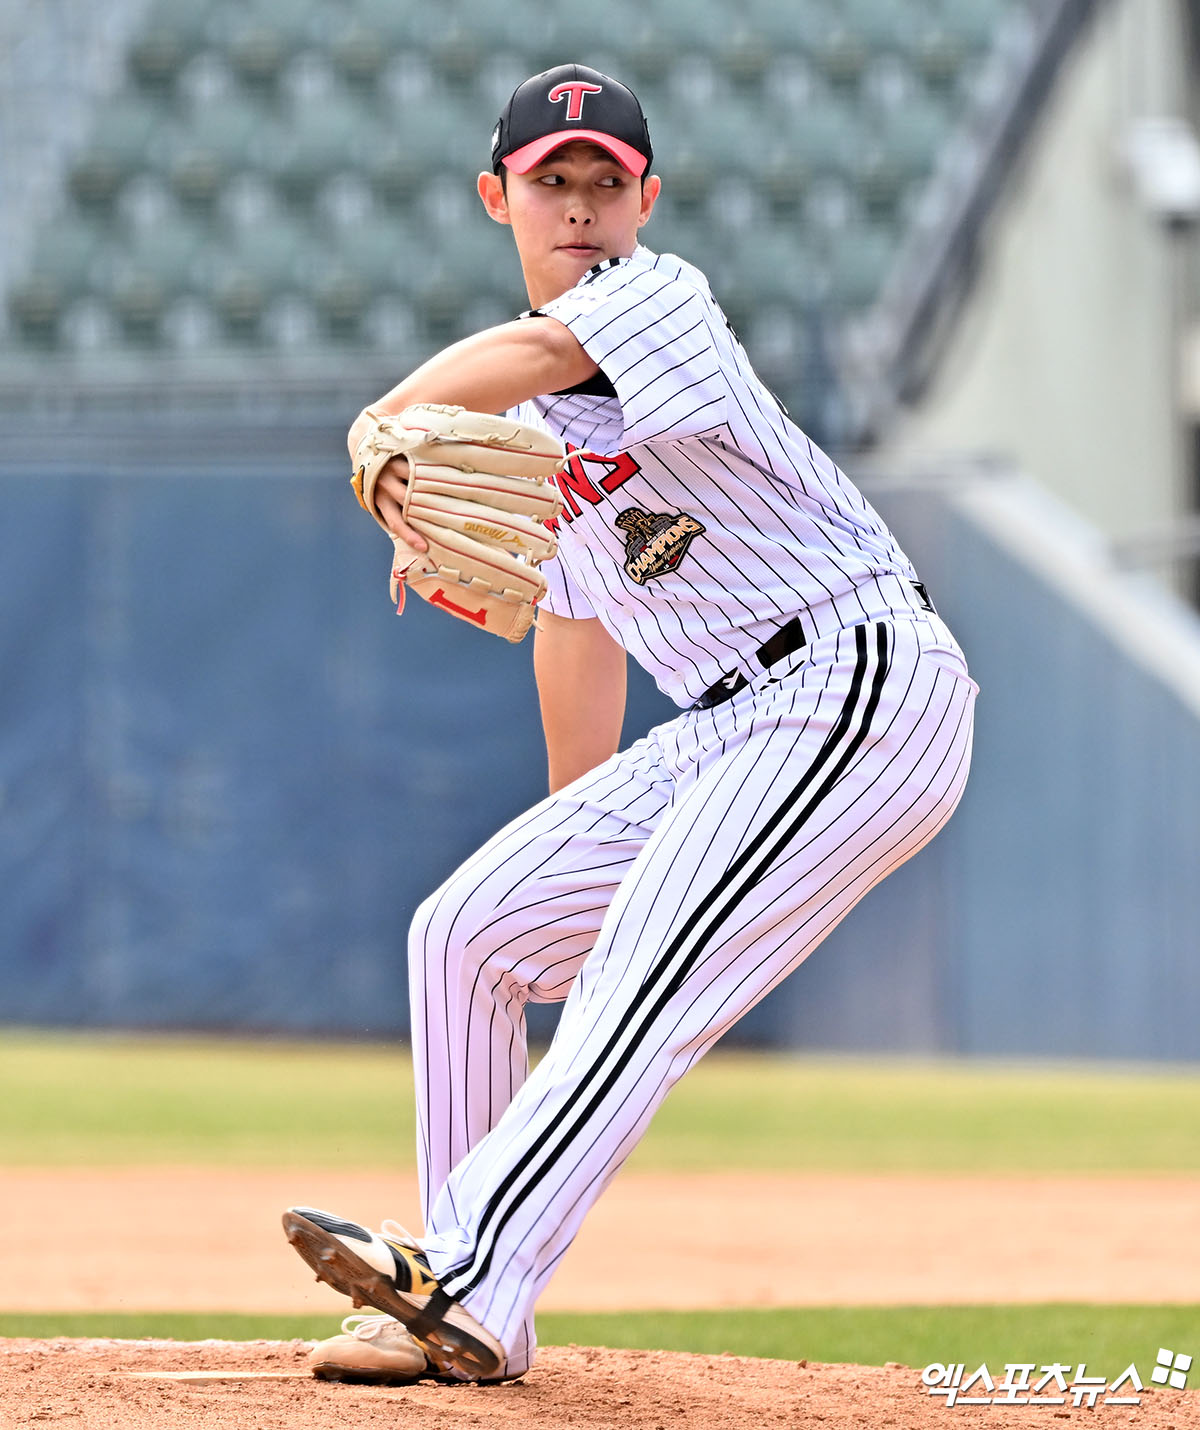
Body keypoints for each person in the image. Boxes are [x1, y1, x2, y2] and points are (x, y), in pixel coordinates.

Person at [283, 62, 978, 1385]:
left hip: (850, 682)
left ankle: (473, 1267)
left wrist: (390, 419)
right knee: (468, 931)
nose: (583, 204)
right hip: (728, 726)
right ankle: (459, 1305)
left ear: (646, 197)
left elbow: (545, 350)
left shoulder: (658, 299)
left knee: (637, 980)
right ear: (500, 197)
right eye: (555, 181)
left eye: (608, 180)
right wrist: (569, 841)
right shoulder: (530, 430)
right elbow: (579, 623)